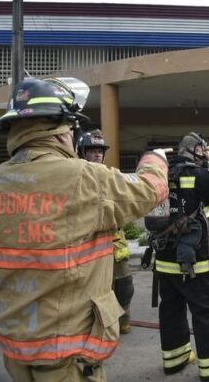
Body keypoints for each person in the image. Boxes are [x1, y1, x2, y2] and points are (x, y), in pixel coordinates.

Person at [0, 77, 169, 381]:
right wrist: (154, 159)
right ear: (62, 130)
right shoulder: (84, 178)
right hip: (66, 357)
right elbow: (148, 191)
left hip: (15, 348)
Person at [152, 132, 209, 380]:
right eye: (204, 152)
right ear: (197, 152)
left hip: (165, 261)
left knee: (172, 310)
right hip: (195, 263)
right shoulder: (195, 175)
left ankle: (175, 360)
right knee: (208, 311)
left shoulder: (162, 174)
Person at [78, 129, 134, 334]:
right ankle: (97, 324)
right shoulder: (77, 177)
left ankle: (123, 319)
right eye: (92, 150)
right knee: (96, 287)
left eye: (100, 151)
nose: (98, 154)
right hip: (89, 242)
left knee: (125, 284)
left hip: (115, 240)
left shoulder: (111, 176)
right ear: (82, 152)